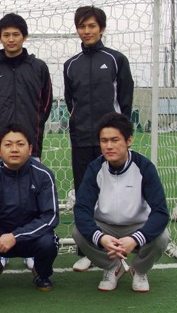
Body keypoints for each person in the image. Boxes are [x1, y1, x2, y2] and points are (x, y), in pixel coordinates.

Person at [0, 13, 53, 271]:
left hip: (30, 146)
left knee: (31, 201)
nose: (11, 39)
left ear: (24, 37)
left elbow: (45, 105)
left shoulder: (38, 67)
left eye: (15, 34)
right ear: (0, 38)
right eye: (6, 35)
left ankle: (29, 245)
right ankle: (0, 249)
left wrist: (31, 131)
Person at [63, 6, 134, 272]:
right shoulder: (71, 65)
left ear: (101, 29)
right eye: (82, 26)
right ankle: (88, 252)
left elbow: (125, 101)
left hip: (111, 142)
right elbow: (71, 102)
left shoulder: (116, 60)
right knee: (85, 195)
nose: (87, 31)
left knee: (113, 194)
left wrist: (119, 135)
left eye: (92, 26)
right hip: (82, 139)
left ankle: (117, 247)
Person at [72, 112, 170, 293]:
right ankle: (113, 267)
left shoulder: (144, 167)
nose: (109, 146)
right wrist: (100, 237)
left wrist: (136, 238)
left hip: (137, 226)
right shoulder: (95, 168)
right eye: (104, 141)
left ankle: (139, 270)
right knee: (78, 232)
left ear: (129, 140)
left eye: (115, 140)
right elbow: (82, 209)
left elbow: (161, 212)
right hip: (105, 226)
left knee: (162, 237)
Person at [0, 124, 60, 292]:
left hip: (31, 235)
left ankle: (41, 273)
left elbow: (50, 217)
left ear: (30, 149)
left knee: (48, 242)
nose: (14, 149)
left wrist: (16, 236)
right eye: (8, 144)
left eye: (20, 144)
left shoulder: (43, 175)